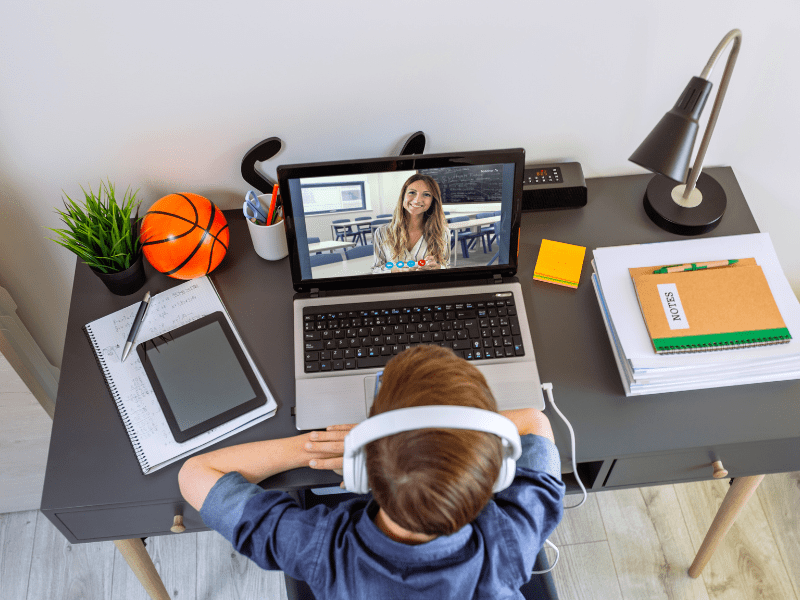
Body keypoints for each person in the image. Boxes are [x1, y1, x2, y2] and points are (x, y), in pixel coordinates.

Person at [179, 345, 565, 599]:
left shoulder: (321, 550)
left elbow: (196, 473)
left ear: (360, 470)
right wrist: (462, 430)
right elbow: (534, 422)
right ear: (494, 477)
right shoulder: (513, 536)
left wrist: (311, 446)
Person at [371, 174, 451, 273]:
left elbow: (446, 266)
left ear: (432, 201)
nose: (417, 200)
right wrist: (395, 270)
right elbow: (376, 269)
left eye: (426, 194)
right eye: (412, 192)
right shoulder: (381, 233)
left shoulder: (442, 232)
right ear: (403, 196)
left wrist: (438, 268)